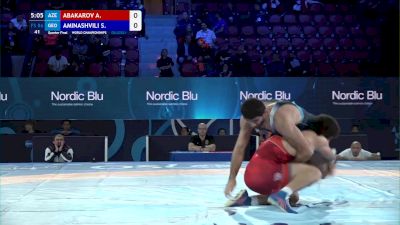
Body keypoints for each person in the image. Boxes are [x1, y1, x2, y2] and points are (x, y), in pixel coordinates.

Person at [225, 98, 336, 202]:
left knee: (316, 175)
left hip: (311, 136)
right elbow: (239, 148)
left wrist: (288, 175)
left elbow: (306, 151)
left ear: (266, 112)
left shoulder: (280, 118)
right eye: (250, 122)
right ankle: (250, 200)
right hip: (291, 138)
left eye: (256, 121)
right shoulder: (246, 120)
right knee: (291, 197)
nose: (253, 125)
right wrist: (232, 178)